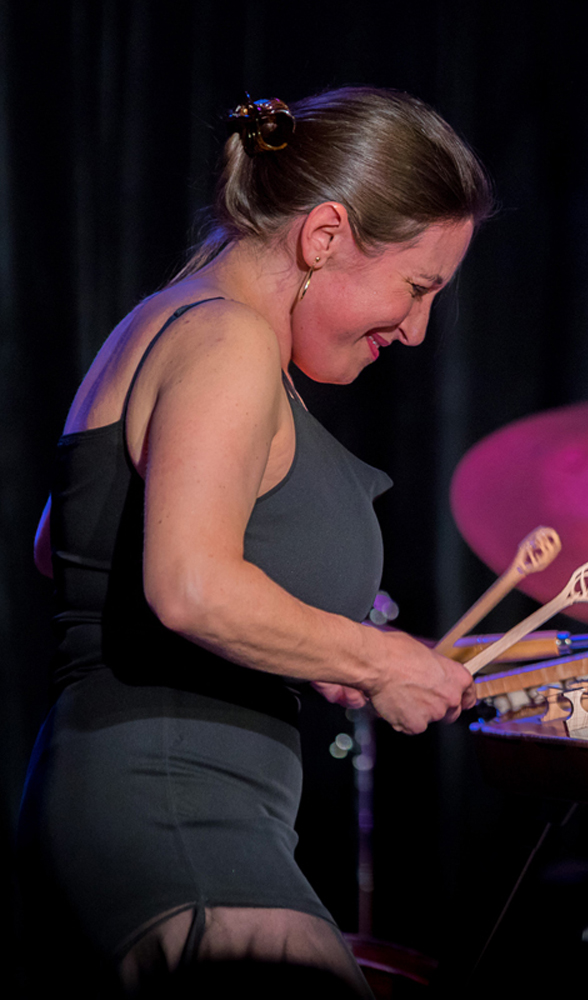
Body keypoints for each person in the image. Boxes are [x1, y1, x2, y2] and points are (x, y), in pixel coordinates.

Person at [18, 87, 490, 996]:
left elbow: (62, 548)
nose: (419, 328)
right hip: (178, 810)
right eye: (417, 286)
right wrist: (375, 659)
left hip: (122, 799)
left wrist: (300, 648)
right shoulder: (228, 337)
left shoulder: (161, 322)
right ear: (323, 237)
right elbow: (188, 588)